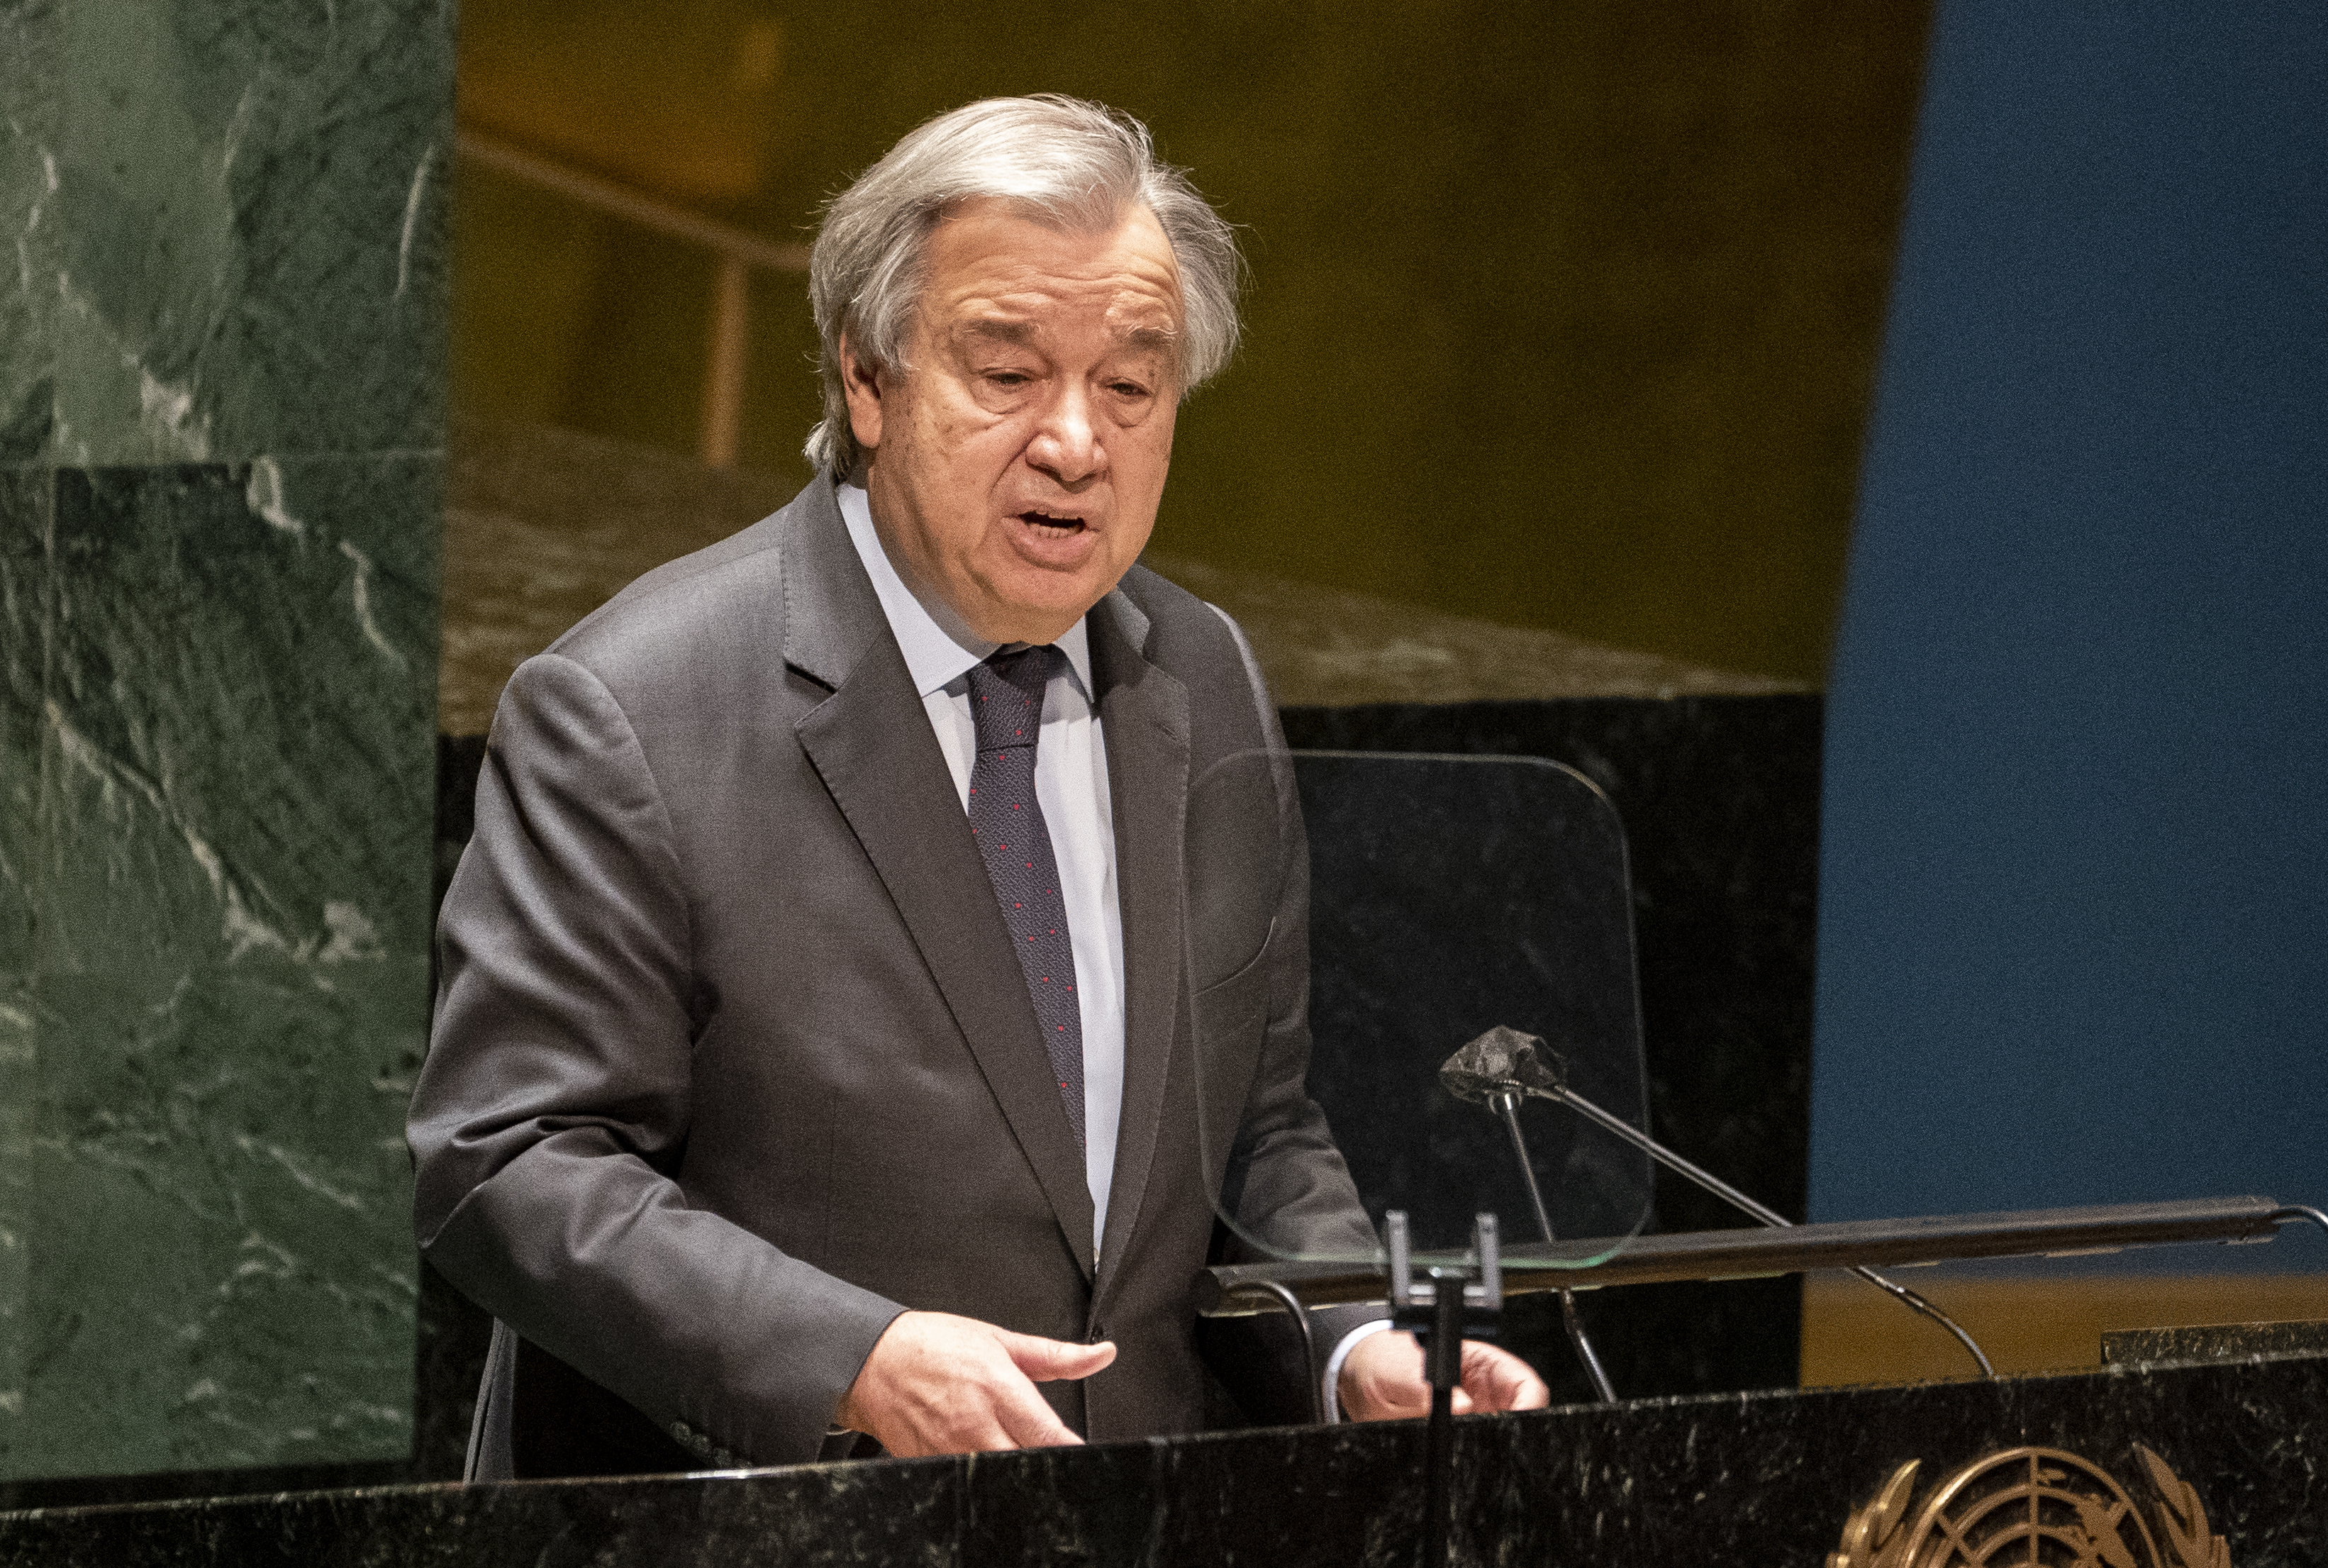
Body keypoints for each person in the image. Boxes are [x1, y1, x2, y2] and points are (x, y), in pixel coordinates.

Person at [407, 94, 1544, 1477]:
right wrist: (848, 1356)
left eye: (1129, 385)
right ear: (867, 379)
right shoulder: (634, 706)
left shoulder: (1200, 670)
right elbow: (507, 1161)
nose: (1076, 441)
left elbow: (1253, 1129)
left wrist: (1358, 1338)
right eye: (1005, 373)